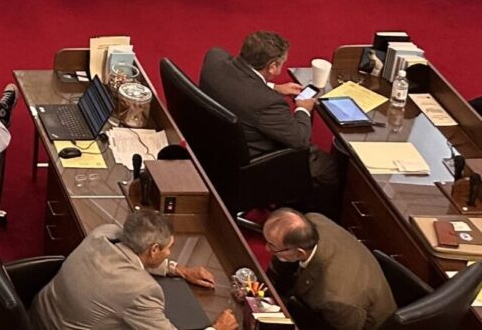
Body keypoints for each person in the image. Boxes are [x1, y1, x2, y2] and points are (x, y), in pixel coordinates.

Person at [197, 31, 340, 209]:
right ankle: (309, 215)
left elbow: (241, 81)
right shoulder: (268, 103)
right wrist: (303, 108)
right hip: (247, 166)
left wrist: (272, 87)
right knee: (327, 167)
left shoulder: (214, 58)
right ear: (272, 66)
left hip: (208, 147)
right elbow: (300, 140)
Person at [34, 209, 238, 330]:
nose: (169, 253)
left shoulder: (103, 233)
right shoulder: (142, 290)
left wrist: (179, 270)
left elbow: (130, 253)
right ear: (154, 249)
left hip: (36, 316)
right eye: (168, 248)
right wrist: (217, 328)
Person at [261, 208, 394, 330]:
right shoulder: (314, 220)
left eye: (272, 246)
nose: (267, 248)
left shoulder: (337, 300)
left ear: (300, 253)